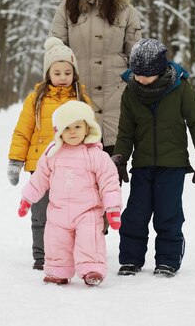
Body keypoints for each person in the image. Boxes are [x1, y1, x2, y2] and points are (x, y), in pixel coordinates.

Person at [110, 38, 195, 278]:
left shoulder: (180, 88)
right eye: (136, 74)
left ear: (159, 71)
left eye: (145, 75)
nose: (139, 78)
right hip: (142, 165)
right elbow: (125, 132)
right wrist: (119, 160)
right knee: (135, 214)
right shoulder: (131, 92)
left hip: (173, 165)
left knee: (168, 213)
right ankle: (130, 259)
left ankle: (168, 260)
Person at [49, 0, 142, 156]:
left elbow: (136, 58)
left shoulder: (126, 11)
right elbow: (55, 53)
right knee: (78, 181)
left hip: (116, 107)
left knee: (109, 182)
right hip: (77, 106)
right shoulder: (66, 9)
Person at [17, 101, 122, 286]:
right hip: (58, 210)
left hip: (87, 211)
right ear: (59, 131)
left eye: (77, 126)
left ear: (87, 128)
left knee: (90, 240)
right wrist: (27, 199)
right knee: (57, 242)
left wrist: (112, 208)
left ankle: (92, 270)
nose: (72, 132)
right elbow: (40, 177)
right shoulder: (52, 154)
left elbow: (109, 182)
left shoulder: (96, 155)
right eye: (67, 128)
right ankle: (58, 271)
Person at [7, 37, 90, 271]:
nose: (63, 77)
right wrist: (15, 160)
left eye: (67, 72)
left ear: (74, 73)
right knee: (41, 213)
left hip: (72, 168)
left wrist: (94, 160)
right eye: (57, 72)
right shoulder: (36, 100)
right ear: (48, 74)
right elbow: (23, 132)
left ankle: (68, 254)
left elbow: (92, 132)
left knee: (69, 213)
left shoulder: (81, 99)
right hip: (40, 167)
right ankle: (41, 256)